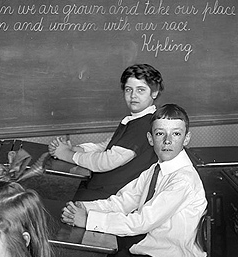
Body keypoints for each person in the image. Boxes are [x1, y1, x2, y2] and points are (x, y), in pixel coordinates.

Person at [61, 104, 206, 257]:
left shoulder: (183, 180)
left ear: (186, 138)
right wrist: (83, 207)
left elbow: (142, 222)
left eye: (176, 134)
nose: (167, 140)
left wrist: (89, 220)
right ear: (150, 138)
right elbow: (122, 201)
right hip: (145, 250)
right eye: (160, 133)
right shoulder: (155, 169)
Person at [49, 63, 163, 201]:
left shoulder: (145, 124)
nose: (133, 95)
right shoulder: (135, 119)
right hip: (102, 186)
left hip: (113, 196)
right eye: (128, 90)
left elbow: (107, 161)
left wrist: (67, 154)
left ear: (154, 93)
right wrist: (75, 148)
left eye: (140, 90)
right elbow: (105, 146)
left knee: (55, 199)